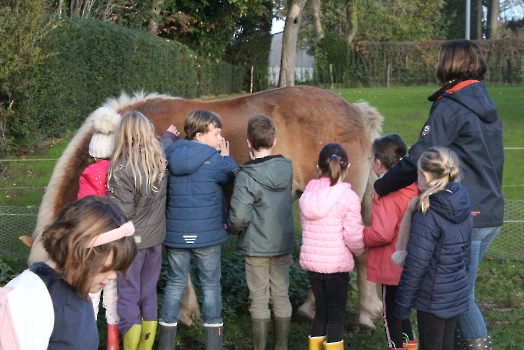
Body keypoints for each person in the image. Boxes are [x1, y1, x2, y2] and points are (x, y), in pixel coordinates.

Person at [371, 39, 503, 349]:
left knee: (459, 295)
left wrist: (382, 185)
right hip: (490, 211)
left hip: (464, 214)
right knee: (457, 291)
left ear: (450, 65)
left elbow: (421, 154)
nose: (434, 65)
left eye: (438, 60)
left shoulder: (451, 106)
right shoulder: (485, 103)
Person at [2, 196, 137, 350]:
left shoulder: (77, 287)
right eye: (106, 268)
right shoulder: (32, 299)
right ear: (78, 253)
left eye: (116, 268)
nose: (113, 276)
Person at [158, 110, 238, 350]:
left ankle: (165, 343)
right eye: (216, 133)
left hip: (176, 235)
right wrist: (227, 157)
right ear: (201, 135)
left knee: (174, 285)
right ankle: (213, 344)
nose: (219, 137)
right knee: (211, 286)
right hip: (207, 236)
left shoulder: (170, 155)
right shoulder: (215, 159)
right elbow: (230, 175)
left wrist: (167, 140)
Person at [227, 114, 295, 350]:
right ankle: (282, 346)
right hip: (282, 244)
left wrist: (233, 228)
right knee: (281, 295)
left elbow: (239, 217)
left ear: (248, 142)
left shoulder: (246, 176)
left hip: (256, 246)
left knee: (258, 298)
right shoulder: (286, 168)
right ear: (274, 141)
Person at [394, 147, 473, 350]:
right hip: (454, 293)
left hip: (432, 299)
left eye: (419, 173)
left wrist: (401, 306)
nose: (417, 177)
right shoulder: (462, 203)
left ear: (427, 176)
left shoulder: (427, 212)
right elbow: (465, 255)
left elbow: (416, 265)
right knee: (447, 345)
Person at [108, 110, 172, 350]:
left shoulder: (121, 167)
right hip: (155, 239)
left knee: (128, 295)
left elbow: (122, 214)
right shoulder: (158, 159)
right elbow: (162, 144)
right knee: (148, 293)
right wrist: (168, 137)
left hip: (131, 242)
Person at [299, 143, 365, 350]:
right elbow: (353, 235)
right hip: (337, 267)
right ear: (347, 168)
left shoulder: (307, 194)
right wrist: (359, 251)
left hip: (313, 265)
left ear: (318, 168)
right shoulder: (349, 198)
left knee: (320, 313)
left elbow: (304, 226)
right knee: (336, 317)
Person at [363, 134, 418, 349]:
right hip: (411, 263)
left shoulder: (384, 193)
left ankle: (395, 347)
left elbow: (382, 233)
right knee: (404, 314)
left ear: (378, 163)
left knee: (391, 316)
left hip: (392, 265)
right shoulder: (413, 187)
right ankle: (410, 346)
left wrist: (362, 234)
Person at [77, 106, 122, 350]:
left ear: (93, 154)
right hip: (115, 240)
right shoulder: (120, 172)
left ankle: (88, 339)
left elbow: (83, 209)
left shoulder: (86, 175)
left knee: (92, 293)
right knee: (113, 291)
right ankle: (113, 342)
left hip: (93, 243)